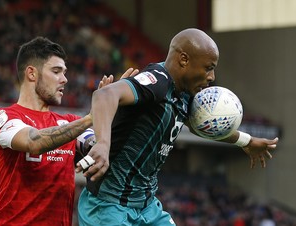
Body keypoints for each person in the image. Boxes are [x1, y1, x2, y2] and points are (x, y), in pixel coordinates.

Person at [75, 28, 279, 225]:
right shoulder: (157, 81)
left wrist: (246, 141)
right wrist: (102, 143)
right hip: (108, 206)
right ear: (184, 60)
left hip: (146, 207)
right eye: (208, 67)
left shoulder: (184, 94)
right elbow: (105, 94)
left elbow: (201, 126)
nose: (212, 77)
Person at [0, 36, 138, 225]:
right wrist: (92, 118)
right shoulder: (3, 117)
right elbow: (34, 142)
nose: (65, 79)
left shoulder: (69, 122)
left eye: (65, 72)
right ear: (32, 74)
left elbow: (100, 149)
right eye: (56, 71)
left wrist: (114, 115)